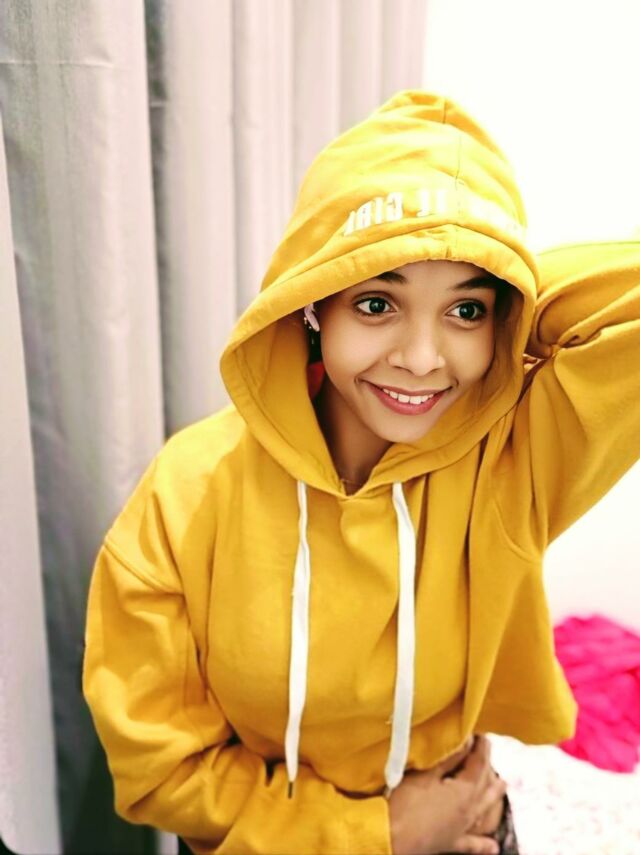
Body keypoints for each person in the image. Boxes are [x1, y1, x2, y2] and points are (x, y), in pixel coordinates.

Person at [82, 90, 640, 854]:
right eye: (378, 302)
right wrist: (377, 832)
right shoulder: (187, 494)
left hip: (463, 828)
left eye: (467, 311)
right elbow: (158, 770)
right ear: (314, 304)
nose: (422, 357)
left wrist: (506, 276)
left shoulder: (513, 458)